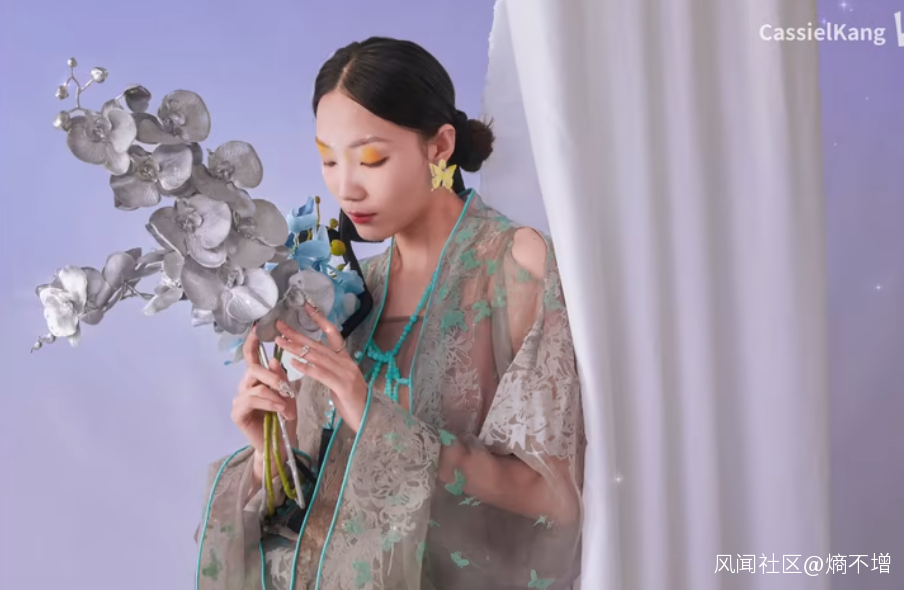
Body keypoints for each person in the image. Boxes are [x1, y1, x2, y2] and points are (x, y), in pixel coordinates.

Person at [196, 37, 585, 590]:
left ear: (439, 146)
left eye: (371, 158)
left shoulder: (511, 263)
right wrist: (273, 450)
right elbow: (325, 510)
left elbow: (551, 497)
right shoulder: (353, 288)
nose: (346, 186)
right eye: (329, 159)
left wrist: (375, 419)